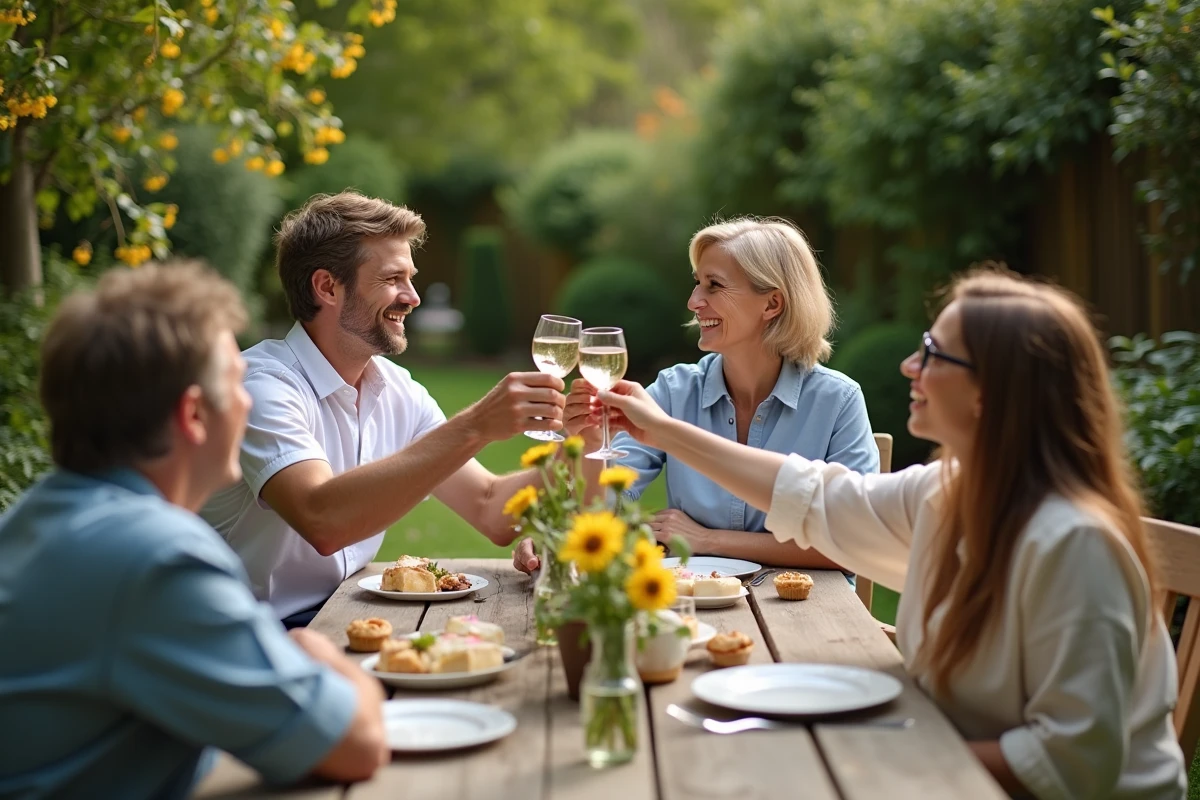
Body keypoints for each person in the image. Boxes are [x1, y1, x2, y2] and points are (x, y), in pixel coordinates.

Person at [594, 266, 1187, 798]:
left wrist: (877, 758)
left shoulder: (1073, 544)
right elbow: (811, 495)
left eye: (934, 353)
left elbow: (1073, 765)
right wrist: (664, 431)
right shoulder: (945, 492)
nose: (909, 364)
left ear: (990, 393)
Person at [0, 264, 388, 799]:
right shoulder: (154, 560)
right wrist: (322, 656)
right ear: (193, 415)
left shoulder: (33, 521)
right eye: (235, 382)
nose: (248, 401)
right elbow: (355, 744)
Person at [201, 191, 567, 626]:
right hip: (247, 636)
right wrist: (477, 425)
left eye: (410, 278)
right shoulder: (263, 387)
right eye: (393, 279)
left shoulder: (396, 388)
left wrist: (582, 446)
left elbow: (491, 509)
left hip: (339, 619)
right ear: (327, 287)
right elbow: (323, 519)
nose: (412, 297)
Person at [513, 217, 877, 574]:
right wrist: (563, 524)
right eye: (697, 283)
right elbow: (608, 504)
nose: (693, 301)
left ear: (772, 304)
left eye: (714, 285)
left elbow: (854, 544)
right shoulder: (674, 392)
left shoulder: (837, 402)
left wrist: (709, 540)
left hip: (810, 614)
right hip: (695, 601)